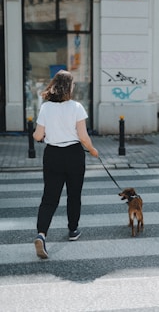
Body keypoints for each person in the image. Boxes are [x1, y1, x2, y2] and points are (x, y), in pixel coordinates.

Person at [33, 70, 98, 259]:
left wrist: (44, 134)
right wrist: (93, 150)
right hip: (74, 155)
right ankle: (73, 230)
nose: (75, 86)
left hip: (52, 154)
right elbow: (83, 137)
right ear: (68, 86)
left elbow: (38, 135)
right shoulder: (76, 107)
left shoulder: (46, 108)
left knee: (49, 198)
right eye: (73, 83)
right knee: (74, 194)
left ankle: (41, 234)